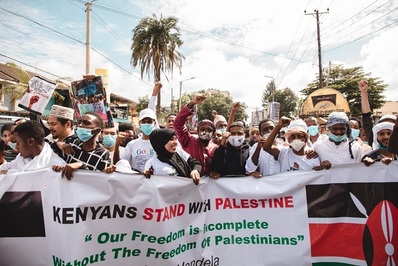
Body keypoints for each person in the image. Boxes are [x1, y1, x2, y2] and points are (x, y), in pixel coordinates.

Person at [52, 112, 110, 180]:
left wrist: (81, 166)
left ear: (97, 130)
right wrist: (59, 144)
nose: (80, 125)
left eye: (86, 123)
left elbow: (99, 181)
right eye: (79, 122)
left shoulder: (102, 154)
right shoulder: (72, 143)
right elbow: (49, 153)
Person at [174, 93, 218, 176]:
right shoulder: (189, 141)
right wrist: (191, 104)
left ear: (213, 133)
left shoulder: (215, 148)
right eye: (202, 129)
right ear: (197, 132)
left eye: (209, 130)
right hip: (190, 183)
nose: (205, 132)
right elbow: (177, 124)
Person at [0, 121, 65, 174]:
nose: (16, 147)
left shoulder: (57, 166)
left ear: (30, 142)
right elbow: (4, 168)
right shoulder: (20, 158)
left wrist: (10, 174)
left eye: (18, 143)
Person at [115, 108, 157, 173]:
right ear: (139, 124)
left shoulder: (160, 143)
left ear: (154, 123)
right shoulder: (132, 144)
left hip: (156, 180)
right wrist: (117, 144)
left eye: (149, 122)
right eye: (143, 122)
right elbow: (120, 164)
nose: (146, 124)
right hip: (137, 180)